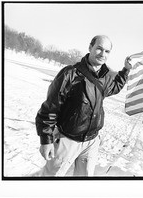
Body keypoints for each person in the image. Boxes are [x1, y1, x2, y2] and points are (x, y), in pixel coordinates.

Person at [35, 35, 132, 176]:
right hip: (67, 140)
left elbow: (115, 87)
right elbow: (50, 108)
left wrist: (126, 70)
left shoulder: (105, 76)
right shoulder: (70, 73)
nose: (102, 54)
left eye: (107, 51)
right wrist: (46, 140)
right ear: (90, 47)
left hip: (91, 141)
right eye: (99, 49)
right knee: (51, 178)